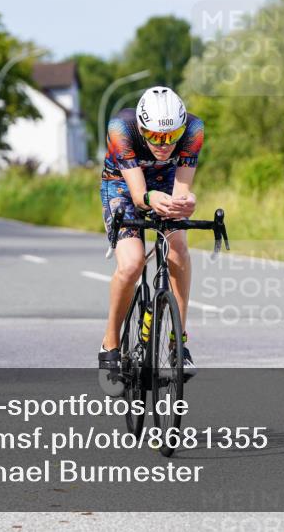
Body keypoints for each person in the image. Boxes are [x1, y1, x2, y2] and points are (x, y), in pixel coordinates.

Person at [99, 86, 204, 378]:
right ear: (142, 128)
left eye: (172, 136)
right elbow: (138, 196)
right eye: (155, 136)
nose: (164, 144)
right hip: (122, 184)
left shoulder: (194, 130)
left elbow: (181, 189)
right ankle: (110, 344)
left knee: (178, 251)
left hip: (165, 181)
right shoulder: (121, 128)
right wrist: (149, 199)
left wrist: (187, 202)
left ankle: (178, 344)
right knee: (132, 264)